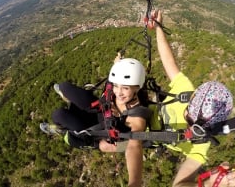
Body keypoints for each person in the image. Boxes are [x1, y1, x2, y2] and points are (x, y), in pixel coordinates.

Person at [150, 9, 235, 187]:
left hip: (152, 137)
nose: (191, 129)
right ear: (192, 96)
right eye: (190, 119)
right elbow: (168, 59)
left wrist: (208, 185)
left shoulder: (201, 143)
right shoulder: (185, 90)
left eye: (198, 129)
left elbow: (179, 185)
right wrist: (158, 27)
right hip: (149, 119)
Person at [40, 58, 152, 187]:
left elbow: (134, 145)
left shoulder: (137, 115)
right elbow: (115, 84)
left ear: (137, 88)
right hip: (98, 109)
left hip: (95, 130)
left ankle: (61, 129)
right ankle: (67, 98)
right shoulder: (117, 89)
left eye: (125, 88)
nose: (119, 93)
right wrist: (117, 65)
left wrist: (135, 182)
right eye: (116, 85)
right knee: (65, 86)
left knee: (58, 115)